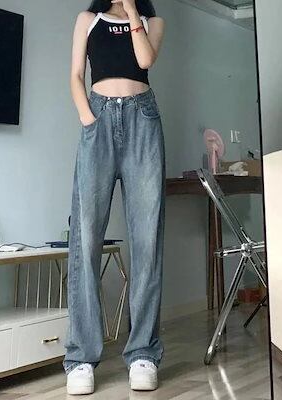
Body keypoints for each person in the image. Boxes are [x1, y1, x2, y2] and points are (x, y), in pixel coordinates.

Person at [63, 0, 165, 394]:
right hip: (99, 118)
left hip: (143, 120)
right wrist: (88, 118)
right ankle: (81, 359)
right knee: (86, 238)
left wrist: (133, 11)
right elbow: (75, 75)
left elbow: (145, 61)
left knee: (147, 241)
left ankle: (142, 354)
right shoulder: (88, 20)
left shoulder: (154, 22)